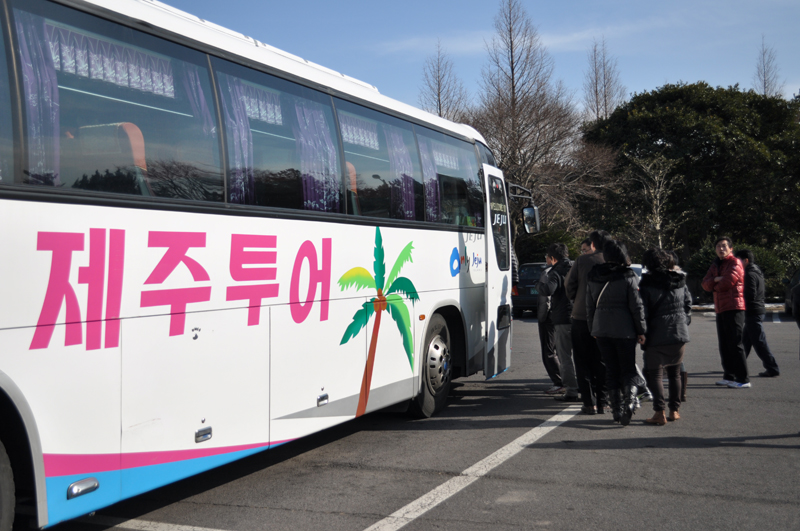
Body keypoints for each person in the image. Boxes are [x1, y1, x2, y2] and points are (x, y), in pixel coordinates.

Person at [586, 240, 646, 426]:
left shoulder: (594, 275)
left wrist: (592, 328)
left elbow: (589, 306)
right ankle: (629, 404)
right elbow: (637, 306)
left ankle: (616, 410)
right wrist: (641, 330)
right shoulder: (628, 275)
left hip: (601, 328)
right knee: (628, 369)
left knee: (611, 369)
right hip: (624, 330)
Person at [639, 248, 692, 425]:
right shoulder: (680, 279)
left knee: (655, 374)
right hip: (679, 332)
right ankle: (674, 410)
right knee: (675, 373)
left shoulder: (647, 283)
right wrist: (684, 322)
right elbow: (687, 304)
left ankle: (659, 412)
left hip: (656, 333)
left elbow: (643, 311)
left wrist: (641, 331)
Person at [566, 230, 612, 415]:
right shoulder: (615, 260)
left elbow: (569, 284)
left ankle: (589, 402)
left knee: (582, 361)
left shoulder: (582, 260)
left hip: (582, 315)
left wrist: (576, 298)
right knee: (603, 360)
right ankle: (603, 401)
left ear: (592, 244)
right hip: (607, 318)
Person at [701, 237, 749, 388]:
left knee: (735, 344)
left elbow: (727, 283)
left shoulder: (735, 262)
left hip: (734, 307)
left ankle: (743, 379)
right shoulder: (715, 264)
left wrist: (714, 283)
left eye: (724, 246)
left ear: (731, 248)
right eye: (718, 246)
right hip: (720, 308)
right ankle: (729, 376)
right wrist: (716, 279)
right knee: (724, 345)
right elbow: (705, 284)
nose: (721, 249)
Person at [539, 243, 579, 402]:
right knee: (582, 356)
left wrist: (539, 284)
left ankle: (571, 391)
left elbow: (548, 290)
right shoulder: (576, 267)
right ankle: (587, 389)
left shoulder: (556, 272)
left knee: (565, 357)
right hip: (580, 316)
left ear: (552, 258)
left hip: (563, 318)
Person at [734, 249, 780, 377]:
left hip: (753, 311)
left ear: (746, 260)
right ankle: (737, 365)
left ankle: (772, 368)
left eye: (738, 261)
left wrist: (737, 297)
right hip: (756, 311)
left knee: (759, 342)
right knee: (745, 341)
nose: (737, 263)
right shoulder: (757, 271)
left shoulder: (749, 274)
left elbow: (750, 294)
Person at [536, 264, 563, 394]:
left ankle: (559, 382)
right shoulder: (571, 268)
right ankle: (568, 382)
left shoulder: (548, 273)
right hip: (564, 315)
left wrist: (542, 317)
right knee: (562, 352)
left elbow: (545, 299)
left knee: (549, 351)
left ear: (552, 258)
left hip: (549, 317)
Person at [669, 250, 689, 401]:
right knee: (677, 360)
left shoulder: (678, 278)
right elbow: (688, 302)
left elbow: (687, 302)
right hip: (678, 326)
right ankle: (681, 394)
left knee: (655, 362)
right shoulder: (681, 278)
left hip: (665, 326)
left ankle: (680, 394)